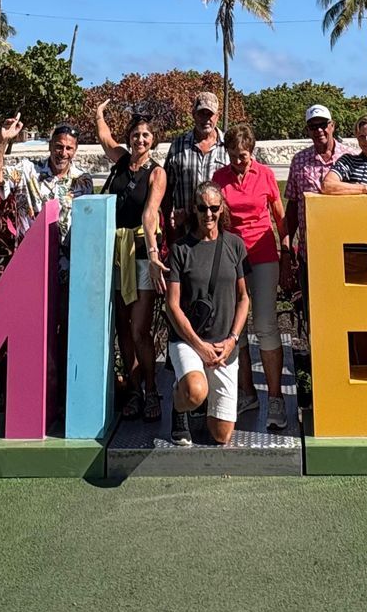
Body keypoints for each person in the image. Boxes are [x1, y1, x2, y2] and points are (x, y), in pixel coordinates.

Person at [211, 123, 287, 429]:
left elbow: (278, 213)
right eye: (233, 155)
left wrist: (289, 247)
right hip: (231, 260)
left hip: (265, 255)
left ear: (252, 151)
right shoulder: (219, 178)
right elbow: (213, 216)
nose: (238, 161)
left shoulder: (265, 175)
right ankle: (246, 393)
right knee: (235, 329)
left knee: (266, 324)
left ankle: (276, 398)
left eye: (243, 155)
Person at [95, 101, 166, 420]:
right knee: (123, 328)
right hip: (115, 255)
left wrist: (153, 255)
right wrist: (99, 115)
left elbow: (150, 214)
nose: (140, 140)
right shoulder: (121, 162)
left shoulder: (157, 173)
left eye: (146, 135)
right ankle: (134, 391)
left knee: (139, 329)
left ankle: (152, 390)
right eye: (136, 135)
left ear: (153, 140)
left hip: (140, 255)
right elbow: (105, 139)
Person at [165, 183, 249, 447]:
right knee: (194, 393)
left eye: (214, 208)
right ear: (194, 209)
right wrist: (199, 346)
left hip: (225, 344)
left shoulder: (235, 245)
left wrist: (233, 339)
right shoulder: (181, 248)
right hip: (189, 340)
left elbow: (244, 297)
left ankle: (201, 401)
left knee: (221, 436)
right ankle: (181, 405)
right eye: (202, 208)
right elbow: (172, 305)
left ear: (222, 208)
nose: (208, 214)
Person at [0, 114, 93, 257]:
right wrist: (2, 141)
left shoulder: (83, 181)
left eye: (69, 148)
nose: (63, 153)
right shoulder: (27, 170)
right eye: (59, 147)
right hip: (32, 261)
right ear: (50, 146)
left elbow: (88, 223)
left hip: (68, 267)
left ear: (75, 150)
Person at [284, 104, 353, 256]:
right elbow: (293, 207)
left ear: (332, 125)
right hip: (310, 249)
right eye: (313, 126)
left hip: (345, 248)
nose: (319, 130)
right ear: (308, 130)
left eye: (323, 124)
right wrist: (287, 249)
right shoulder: (299, 160)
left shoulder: (351, 157)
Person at [162, 90, 228, 236]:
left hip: (219, 231)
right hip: (184, 230)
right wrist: (169, 221)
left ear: (217, 116)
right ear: (193, 114)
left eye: (209, 114)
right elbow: (166, 189)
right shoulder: (178, 146)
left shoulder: (228, 147)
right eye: (201, 114)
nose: (206, 119)